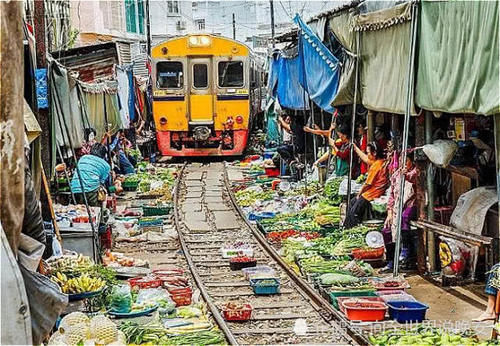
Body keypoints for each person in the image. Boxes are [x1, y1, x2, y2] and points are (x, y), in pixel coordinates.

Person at [380, 152, 419, 273]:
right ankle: (391, 261)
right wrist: (389, 212)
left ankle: (406, 249)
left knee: (404, 218)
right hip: (396, 206)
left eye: (406, 161)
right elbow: (391, 195)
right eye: (401, 161)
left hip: (411, 203)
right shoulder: (396, 174)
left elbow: (414, 178)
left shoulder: (416, 171)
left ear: (411, 161)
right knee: (386, 229)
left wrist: (406, 175)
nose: (404, 164)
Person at [344, 142, 389, 229]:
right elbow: (366, 159)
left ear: (374, 153)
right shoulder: (381, 162)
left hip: (371, 194)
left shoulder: (376, 166)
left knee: (353, 213)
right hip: (373, 192)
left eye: (368, 153)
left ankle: (350, 229)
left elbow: (367, 185)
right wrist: (356, 148)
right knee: (351, 203)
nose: (367, 155)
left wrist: (359, 194)